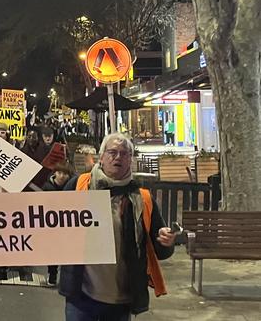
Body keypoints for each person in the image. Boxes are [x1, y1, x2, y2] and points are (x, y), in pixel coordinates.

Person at [60, 132, 177, 321]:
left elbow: (161, 252)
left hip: (121, 300)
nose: (118, 157)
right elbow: (52, 224)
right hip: (81, 294)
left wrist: (166, 241)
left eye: (124, 153)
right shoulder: (79, 185)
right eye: (112, 152)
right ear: (102, 156)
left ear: (130, 159)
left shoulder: (142, 198)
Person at [41, 162, 74, 287]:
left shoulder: (72, 187)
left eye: (65, 173)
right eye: (59, 173)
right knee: (53, 251)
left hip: (68, 225)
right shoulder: (47, 187)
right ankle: (52, 277)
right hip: (51, 225)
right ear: (54, 173)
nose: (61, 176)